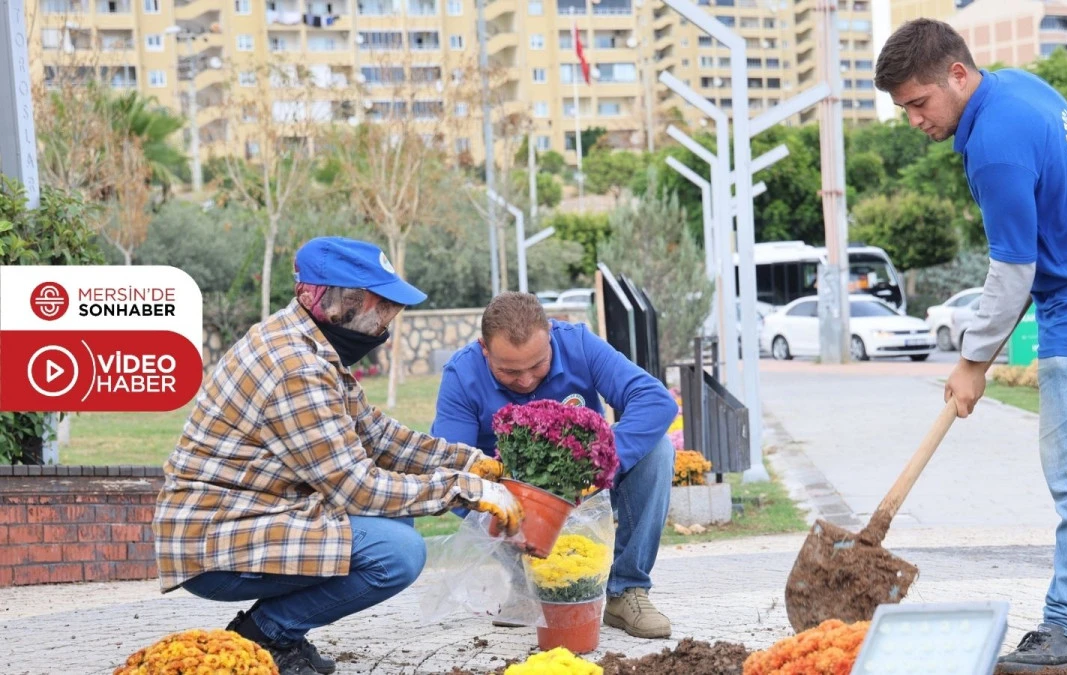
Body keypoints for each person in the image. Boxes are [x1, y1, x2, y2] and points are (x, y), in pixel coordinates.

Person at [873, 19, 1067, 673]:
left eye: (918, 103)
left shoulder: (996, 146)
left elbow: (1012, 272)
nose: (914, 121)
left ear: (957, 74)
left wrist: (971, 364)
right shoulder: (1018, 88)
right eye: (904, 110)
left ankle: (1066, 630)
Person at [153, 237, 524, 675]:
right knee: (397, 552)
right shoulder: (295, 368)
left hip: (254, 516)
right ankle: (267, 634)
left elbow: (378, 436)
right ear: (337, 303)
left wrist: (468, 461)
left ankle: (279, 633)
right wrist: (462, 489)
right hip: (216, 543)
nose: (388, 322)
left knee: (393, 524)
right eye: (381, 307)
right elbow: (358, 488)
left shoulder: (310, 346)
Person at [431, 291, 678, 639]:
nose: (526, 380)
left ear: (549, 335)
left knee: (659, 450)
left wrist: (597, 465)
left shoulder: (578, 344)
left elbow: (654, 400)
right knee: (471, 487)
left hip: (586, 487)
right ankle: (525, 589)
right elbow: (451, 468)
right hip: (512, 501)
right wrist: (507, 494)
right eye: (509, 371)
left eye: (537, 365)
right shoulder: (461, 374)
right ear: (484, 348)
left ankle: (627, 591)